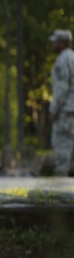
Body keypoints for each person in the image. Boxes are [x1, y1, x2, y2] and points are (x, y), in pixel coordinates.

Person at [48, 29, 74, 176]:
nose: (53, 44)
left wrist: (54, 109)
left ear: (63, 43)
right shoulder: (73, 57)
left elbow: (61, 87)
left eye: (55, 41)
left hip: (65, 109)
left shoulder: (63, 60)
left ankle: (61, 180)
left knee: (62, 143)